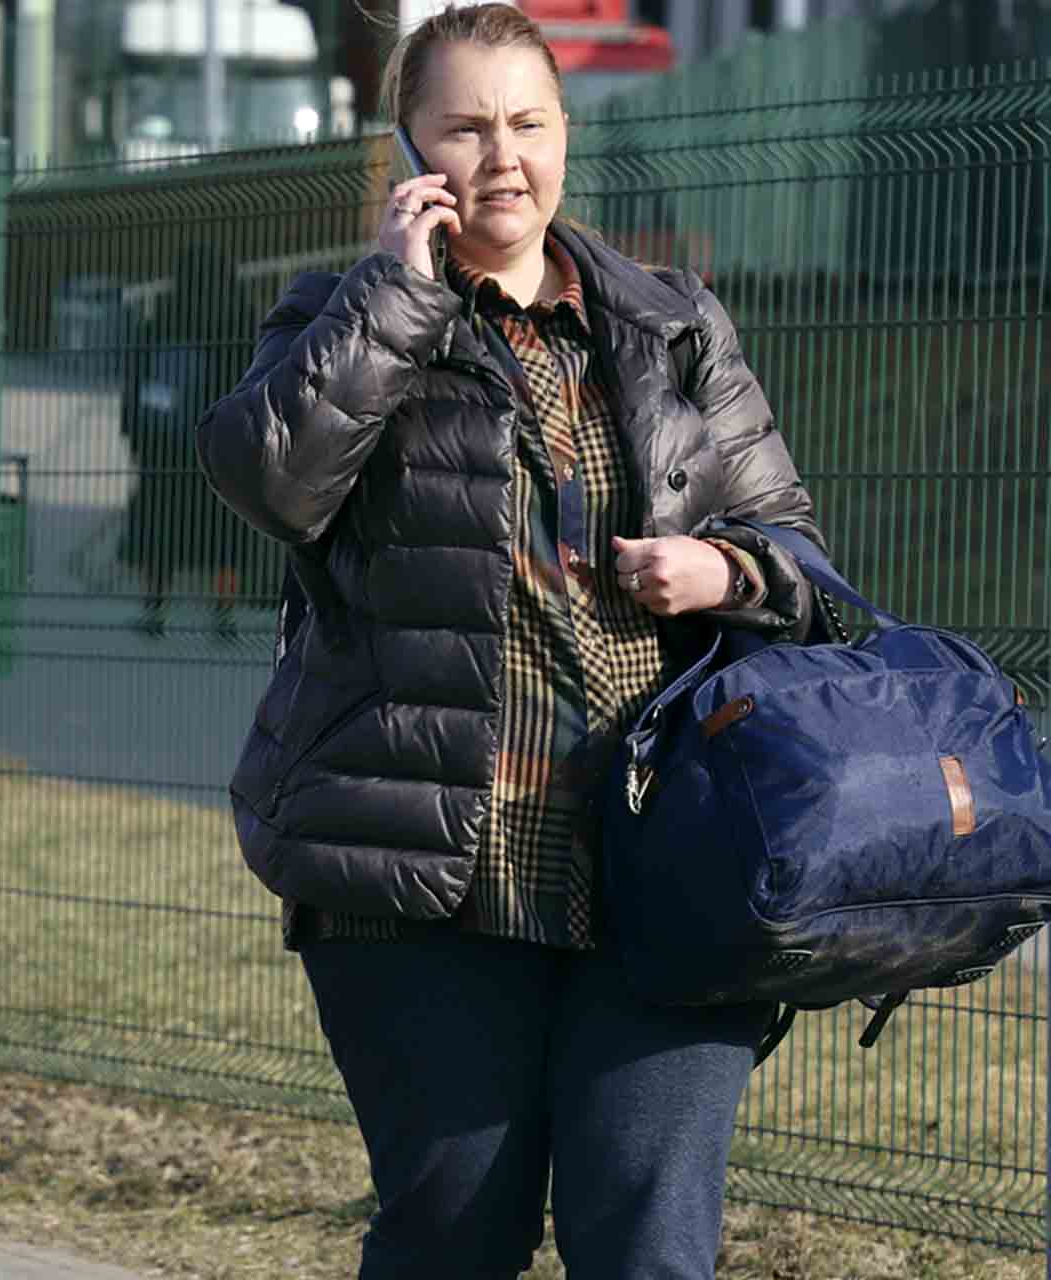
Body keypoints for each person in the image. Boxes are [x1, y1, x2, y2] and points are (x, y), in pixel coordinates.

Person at [196, 6, 827, 1277]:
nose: (502, 156)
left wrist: (727, 565)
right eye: (466, 125)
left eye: (528, 122)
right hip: (427, 867)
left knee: (648, 1236)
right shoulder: (342, 316)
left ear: (565, 135)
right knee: (455, 1229)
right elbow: (273, 482)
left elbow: (805, 564)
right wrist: (396, 299)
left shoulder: (673, 324)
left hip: (664, 864)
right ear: (408, 151)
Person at [117, 242, 274, 638]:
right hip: (222, 445)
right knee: (226, 531)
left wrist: (135, 433)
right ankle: (223, 616)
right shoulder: (242, 318)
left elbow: (137, 378)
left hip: (166, 444)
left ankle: (155, 610)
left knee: (160, 526)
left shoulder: (165, 315)